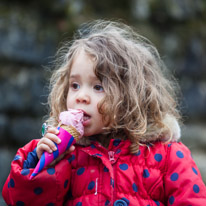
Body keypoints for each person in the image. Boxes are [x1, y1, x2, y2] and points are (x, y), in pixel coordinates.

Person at [2, 20, 206, 206]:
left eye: (98, 87)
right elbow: (18, 200)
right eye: (74, 85)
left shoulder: (168, 154)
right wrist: (41, 164)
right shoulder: (66, 153)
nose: (81, 96)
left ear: (130, 97)